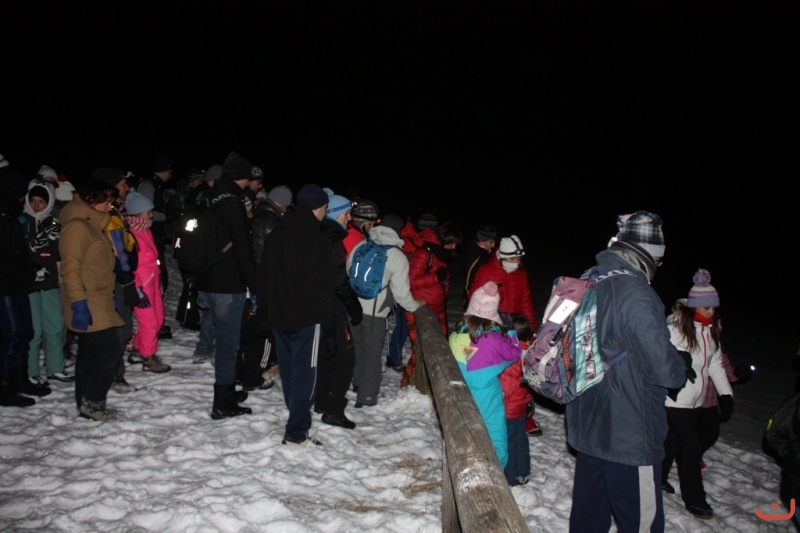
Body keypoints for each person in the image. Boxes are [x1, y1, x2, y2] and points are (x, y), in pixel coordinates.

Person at [565, 210, 690, 533]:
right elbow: (665, 370)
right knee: (642, 523)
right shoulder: (636, 292)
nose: (658, 266)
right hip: (629, 432)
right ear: (647, 253)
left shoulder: (591, 277)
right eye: (658, 259)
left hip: (588, 419)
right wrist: (681, 363)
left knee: (588, 517)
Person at [258, 184, 337, 445]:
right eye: (325, 208)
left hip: (280, 315)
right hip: (307, 318)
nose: (325, 213)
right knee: (305, 373)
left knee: (291, 371)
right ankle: (296, 431)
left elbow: (264, 278)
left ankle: (296, 417)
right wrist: (329, 327)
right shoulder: (318, 241)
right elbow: (325, 288)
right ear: (317, 208)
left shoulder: (276, 235)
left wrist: (265, 313)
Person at [661, 269, 733, 520]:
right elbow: (662, 354)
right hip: (675, 398)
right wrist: (679, 364)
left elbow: (715, 365)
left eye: (714, 308)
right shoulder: (676, 328)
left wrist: (725, 394)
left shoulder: (710, 331)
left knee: (673, 442)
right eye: (707, 308)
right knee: (691, 448)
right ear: (694, 306)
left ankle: (657, 477)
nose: (712, 312)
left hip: (695, 402)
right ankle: (695, 499)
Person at [194, 151, 260, 420]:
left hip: (206, 277)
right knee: (228, 344)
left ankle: (228, 390)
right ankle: (222, 402)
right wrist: (254, 283)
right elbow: (242, 248)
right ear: (241, 177)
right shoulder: (233, 202)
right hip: (227, 282)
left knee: (223, 340)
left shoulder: (208, 196)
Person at [59, 180, 126, 421]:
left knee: (89, 353)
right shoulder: (78, 226)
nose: (109, 207)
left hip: (99, 298)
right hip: (87, 299)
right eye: (105, 202)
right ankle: (93, 403)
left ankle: (86, 404)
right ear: (90, 201)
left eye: (111, 202)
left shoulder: (94, 224)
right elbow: (70, 268)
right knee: (109, 351)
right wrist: (78, 303)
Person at [347, 214, 424, 408]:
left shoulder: (361, 244)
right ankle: (367, 397)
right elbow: (401, 294)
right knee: (372, 355)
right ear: (397, 232)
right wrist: (415, 306)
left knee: (358, 349)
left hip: (353, 307)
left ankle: (357, 383)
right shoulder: (397, 256)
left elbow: (348, 270)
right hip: (375, 313)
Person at [449, 281, 522, 469]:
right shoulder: (495, 340)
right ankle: (496, 470)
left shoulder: (455, 337)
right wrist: (510, 331)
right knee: (495, 434)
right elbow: (515, 353)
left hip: (460, 392)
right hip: (486, 396)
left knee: (466, 431)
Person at [0, 167, 50, 407]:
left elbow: (19, 253)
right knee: (11, 335)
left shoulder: (11, 217)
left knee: (25, 333)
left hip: (19, 284)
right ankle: (4, 386)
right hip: (5, 287)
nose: (24, 199)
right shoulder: (3, 218)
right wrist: (26, 271)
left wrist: (32, 267)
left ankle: (20, 380)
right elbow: (5, 260)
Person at [314, 191, 363, 429]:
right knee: (346, 359)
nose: (349, 218)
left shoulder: (318, 234)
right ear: (334, 214)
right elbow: (339, 281)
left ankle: (322, 401)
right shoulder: (333, 240)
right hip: (334, 308)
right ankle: (333, 410)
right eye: (346, 214)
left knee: (326, 354)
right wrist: (354, 309)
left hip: (320, 307)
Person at [91, 167, 139, 394]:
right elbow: (117, 253)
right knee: (119, 328)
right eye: (121, 185)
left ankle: (113, 372)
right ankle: (112, 374)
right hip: (116, 281)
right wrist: (127, 281)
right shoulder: (109, 218)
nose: (126, 188)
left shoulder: (116, 212)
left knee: (123, 327)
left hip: (121, 278)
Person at [22, 178, 71, 386]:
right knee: (33, 330)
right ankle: (30, 372)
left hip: (50, 281)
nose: (36, 205)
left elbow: (59, 254)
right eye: (33, 200)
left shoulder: (52, 222)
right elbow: (15, 252)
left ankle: (55, 368)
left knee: (55, 325)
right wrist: (32, 246)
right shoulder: (21, 222)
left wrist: (54, 240)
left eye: (41, 201)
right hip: (29, 284)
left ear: (48, 202)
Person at [400, 221, 462, 387]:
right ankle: (407, 384)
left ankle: (430, 384)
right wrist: (435, 277)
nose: (454, 246)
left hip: (438, 309)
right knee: (420, 349)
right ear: (443, 240)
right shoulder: (424, 253)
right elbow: (410, 282)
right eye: (451, 242)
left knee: (439, 349)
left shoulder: (442, 256)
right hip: (420, 309)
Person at [123, 191, 171, 373]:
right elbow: (129, 265)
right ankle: (148, 356)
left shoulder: (145, 230)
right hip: (141, 285)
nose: (151, 216)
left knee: (158, 318)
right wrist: (137, 288)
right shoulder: (129, 234)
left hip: (152, 282)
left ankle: (138, 348)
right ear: (136, 213)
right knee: (149, 322)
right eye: (148, 212)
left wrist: (158, 280)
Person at [468, 234, 537, 331]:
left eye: (519, 258)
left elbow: (526, 303)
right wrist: (492, 296)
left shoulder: (521, 273)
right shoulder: (486, 271)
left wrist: (531, 327)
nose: (516, 262)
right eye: (512, 259)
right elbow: (472, 297)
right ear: (502, 256)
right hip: (491, 325)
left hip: (513, 325)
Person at [501, 313, 535, 486]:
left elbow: (507, 386)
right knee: (520, 437)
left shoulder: (510, 357)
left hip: (508, 407)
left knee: (509, 440)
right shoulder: (530, 354)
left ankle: (511, 475)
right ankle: (523, 470)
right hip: (521, 405)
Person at [136, 156, 173, 305]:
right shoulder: (148, 185)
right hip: (149, 234)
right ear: (162, 171)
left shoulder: (156, 185)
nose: (170, 176)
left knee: (159, 268)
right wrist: (166, 216)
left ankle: (157, 299)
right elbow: (143, 212)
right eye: (169, 172)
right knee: (156, 268)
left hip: (156, 233)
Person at [463, 225, 498, 309]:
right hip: (475, 295)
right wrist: (468, 295)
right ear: (483, 240)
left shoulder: (487, 253)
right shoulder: (476, 256)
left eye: (494, 242)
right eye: (491, 242)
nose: (493, 245)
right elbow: (469, 277)